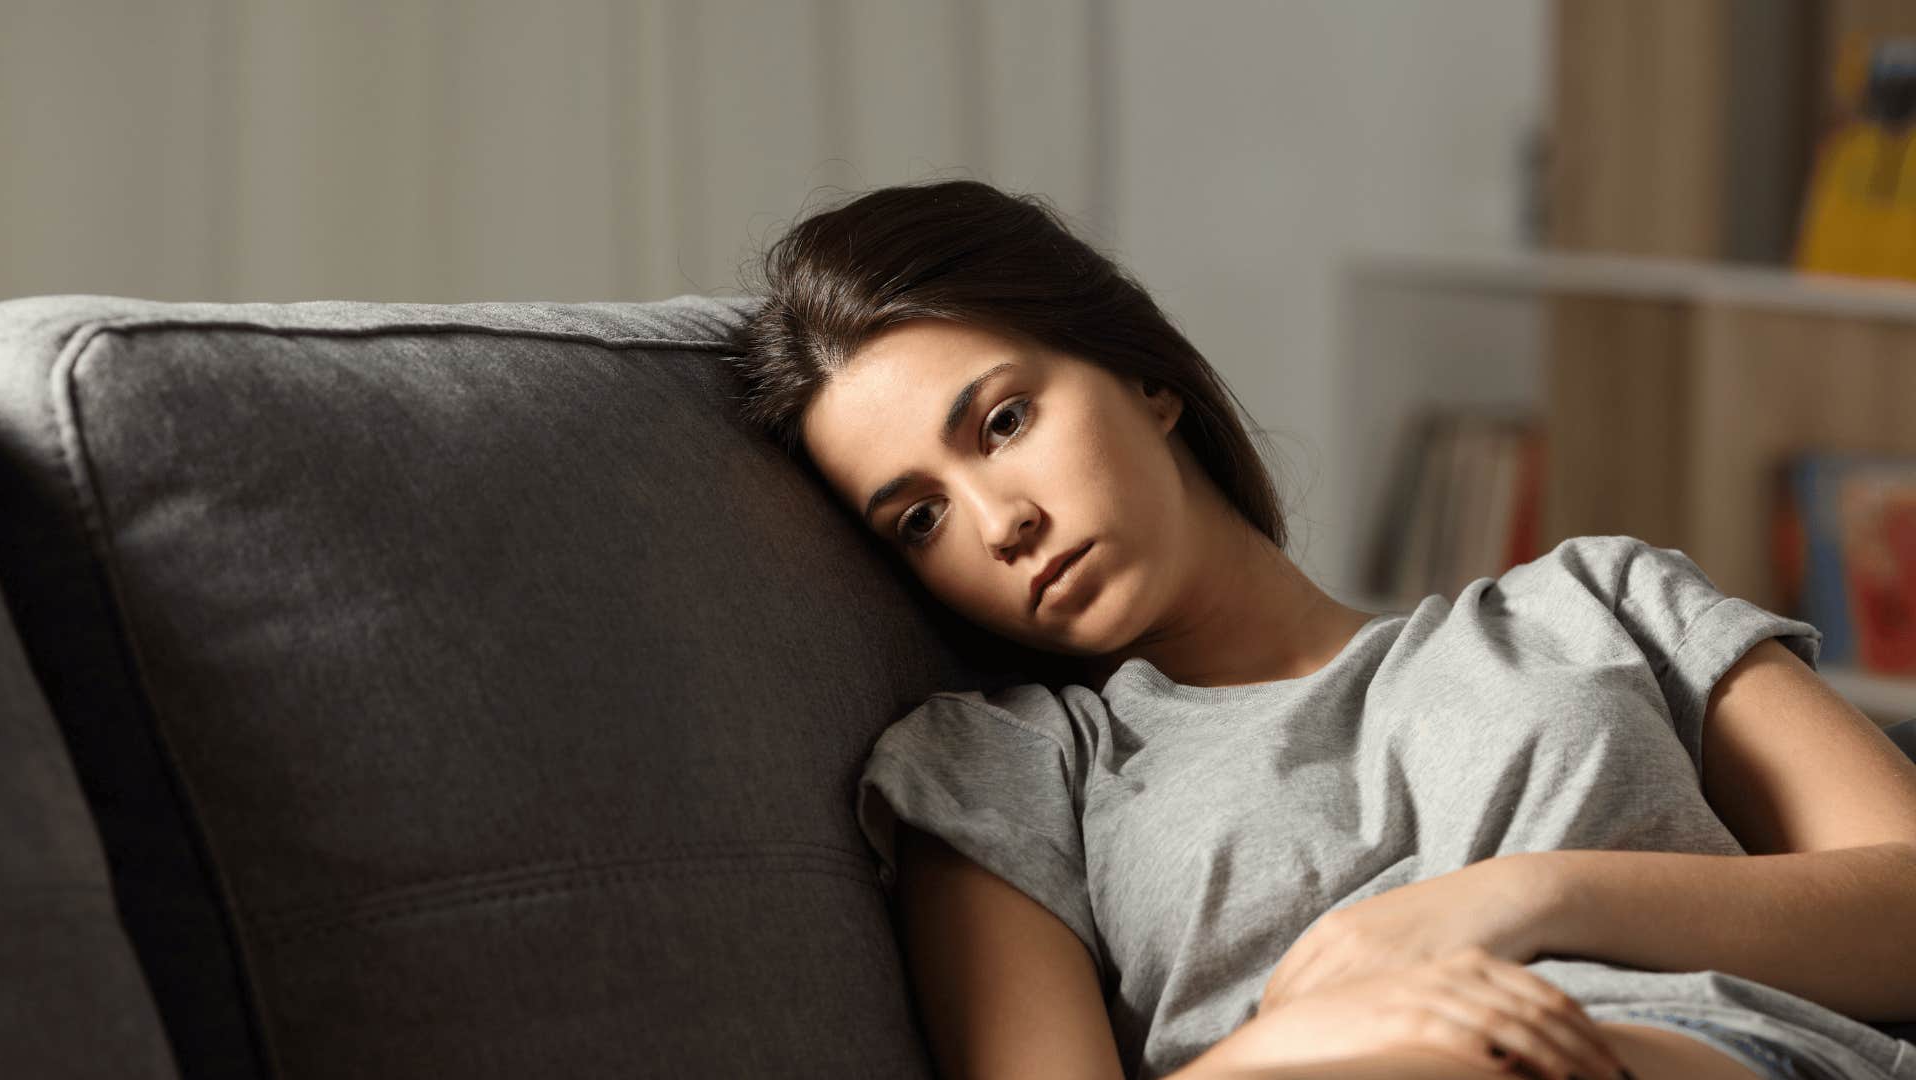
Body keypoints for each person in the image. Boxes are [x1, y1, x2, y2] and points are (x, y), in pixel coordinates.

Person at [726, 178, 1916, 1080]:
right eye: (921, 516)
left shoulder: (1594, 600)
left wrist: (1528, 899)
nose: (1001, 522)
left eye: (1002, 421)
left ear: (1145, 378)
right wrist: (1299, 1033)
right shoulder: (1011, 765)